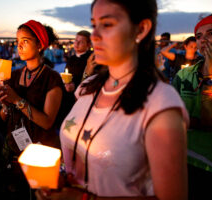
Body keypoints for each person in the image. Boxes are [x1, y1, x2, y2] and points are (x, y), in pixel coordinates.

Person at [37, 0, 189, 199]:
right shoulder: (87, 88)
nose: (94, 36)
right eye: (94, 25)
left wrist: (81, 198)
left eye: (107, 25)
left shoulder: (160, 106)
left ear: (141, 29)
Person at [0, 20, 63, 199]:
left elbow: (47, 122)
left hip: (40, 153)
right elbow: (3, 117)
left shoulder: (51, 78)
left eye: (25, 41)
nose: (19, 46)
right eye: (17, 41)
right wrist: (4, 104)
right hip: (14, 152)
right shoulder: (13, 76)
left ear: (39, 45)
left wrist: (17, 99)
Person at [172, 13, 212, 200]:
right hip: (183, 160)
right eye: (199, 36)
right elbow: (171, 115)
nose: (203, 40)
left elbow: (211, 120)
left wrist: (210, 72)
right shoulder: (185, 75)